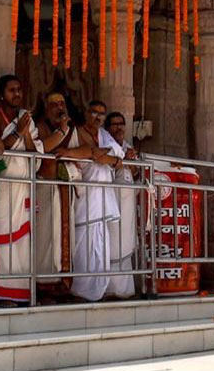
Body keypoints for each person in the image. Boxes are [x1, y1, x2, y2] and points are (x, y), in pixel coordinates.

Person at [0, 74, 43, 305]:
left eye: (19, 89)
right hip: (4, 187)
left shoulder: (25, 120)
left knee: (22, 243)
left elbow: (34, 154)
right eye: (11, 90)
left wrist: (26, 132)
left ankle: (22, 293)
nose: (17, 94)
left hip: (24, 186)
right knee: (3, 239)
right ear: (1, 94)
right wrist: (18, 130)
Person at [65, 99, 121, 301]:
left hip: (102, 198)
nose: (98, 116)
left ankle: (98, 291)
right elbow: (83, 156)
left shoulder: (104, 135)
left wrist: (103, 155)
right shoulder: (75, 132)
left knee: (101, 246)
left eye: (102, 113)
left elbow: (115, 154)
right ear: (86, 113)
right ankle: (80, 291)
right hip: (84, 197)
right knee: (83, 244)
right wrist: (96, 154)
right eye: (94, 112)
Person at [32, 92, 76, 302]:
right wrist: (60, 131)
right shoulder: (40, 127)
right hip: (44, 187)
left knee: (63, 237)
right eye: (55, 104)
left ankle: (62, 284)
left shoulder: (70, 130)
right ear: (46, 107)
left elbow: (83, 149)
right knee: (45, 238)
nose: (60, 108)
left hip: (64, 189)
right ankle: (44, 286)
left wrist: (71, 153)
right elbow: (44, 149)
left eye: (62, 103)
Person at [105, 111, 140, 299]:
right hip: (112, 203)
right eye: (115, 124)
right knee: (112, 244)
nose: (119, 128)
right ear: (108, 128)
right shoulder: (106, 146)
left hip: (127, 205)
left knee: (126, 242)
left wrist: (132, 162)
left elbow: (136, 174)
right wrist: (122, 159)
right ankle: (110, 288)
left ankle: (126, 290)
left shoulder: (129, 147)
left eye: (121, 124)